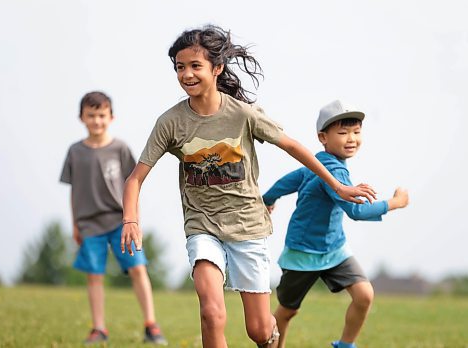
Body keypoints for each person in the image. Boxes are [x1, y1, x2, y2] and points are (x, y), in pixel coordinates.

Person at [120, 26, 376, 348]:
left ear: (217, 68)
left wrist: (338, 186)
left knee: (258, 330)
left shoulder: (242, 114)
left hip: (247, 225)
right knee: (212, 314)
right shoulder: (170, 122)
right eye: (180, 67)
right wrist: (130, 219)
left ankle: (270, 336)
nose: (186, 74)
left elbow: (294, 147)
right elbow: (135, 179)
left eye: (195, 66)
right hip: (203, 225)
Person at [263, 100, 409, 348]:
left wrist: (269, 198)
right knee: (287, 312)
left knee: (364, 295)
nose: (351, 138)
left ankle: (345, 345)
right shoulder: (334, 171)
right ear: (323, 137)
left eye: (356, 131)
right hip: (303, 252)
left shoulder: (317, 162)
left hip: (334, 248)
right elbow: (356, 211)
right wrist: (394, 203)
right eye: (342, 133)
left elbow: (287, 181)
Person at [59, 91, 167, 345]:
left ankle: (151, 325)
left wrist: (134, 220)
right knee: (94, 275)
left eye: (101, 115)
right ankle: (98, 328)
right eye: (91, 116)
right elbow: (74, 190)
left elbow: (134, 184)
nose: (97, 121)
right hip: (89, 224)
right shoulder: (75, 152)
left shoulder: (120, 148)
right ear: (81, 118)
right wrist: (75, 223)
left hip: (120, 221)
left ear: (111, 117)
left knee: (138, 269)